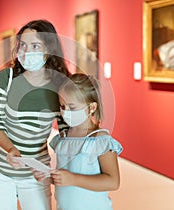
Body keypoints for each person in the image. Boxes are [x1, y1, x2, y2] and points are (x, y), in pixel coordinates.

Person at [0, 19, 71, 210]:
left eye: (35, 45)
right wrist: (11, 149)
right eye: (23, 45)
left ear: (49, 49)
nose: (27, 51)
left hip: (36, 171)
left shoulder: (60, 85)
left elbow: (66, 131)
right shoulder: (7, 78)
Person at [34, 73, 123, 210]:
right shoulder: (62, 139)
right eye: (62, 107)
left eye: (72, 107)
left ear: (92, 107)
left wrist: (74, 179)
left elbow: (113, 181)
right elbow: (65, 176)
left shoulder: (100, 141)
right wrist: (48, 177)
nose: (65, 112)